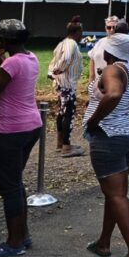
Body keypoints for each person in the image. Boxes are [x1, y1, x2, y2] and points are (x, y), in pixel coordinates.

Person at [82, 34, 129, 257]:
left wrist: (94, 120)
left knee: (116, 194)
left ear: (108, 52)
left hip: (109, 136)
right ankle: (104, 242)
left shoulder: (112, 69)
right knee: (115, 192)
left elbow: (114, 94)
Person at [0, 19, 42, 257]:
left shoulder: (11, 63)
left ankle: (14, 242)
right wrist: (1, 61)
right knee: (16, 182)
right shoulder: (30, 58)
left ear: (4, 41)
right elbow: (11, 77)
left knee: (10, 187)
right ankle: (22, 234)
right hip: (31, 125)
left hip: (10, 130)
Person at [49, 16, 86, 157]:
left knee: (62, 112)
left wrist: (52, 72)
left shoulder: (62, 43)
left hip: (61, 83)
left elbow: (54, 59)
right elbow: (66, 58)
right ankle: (66, 146)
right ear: (77, 32)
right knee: (68, 113)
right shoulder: (71, 44)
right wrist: (58, 70)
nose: (82, 35)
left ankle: (60, 143)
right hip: (67, 83)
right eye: (81, 32)